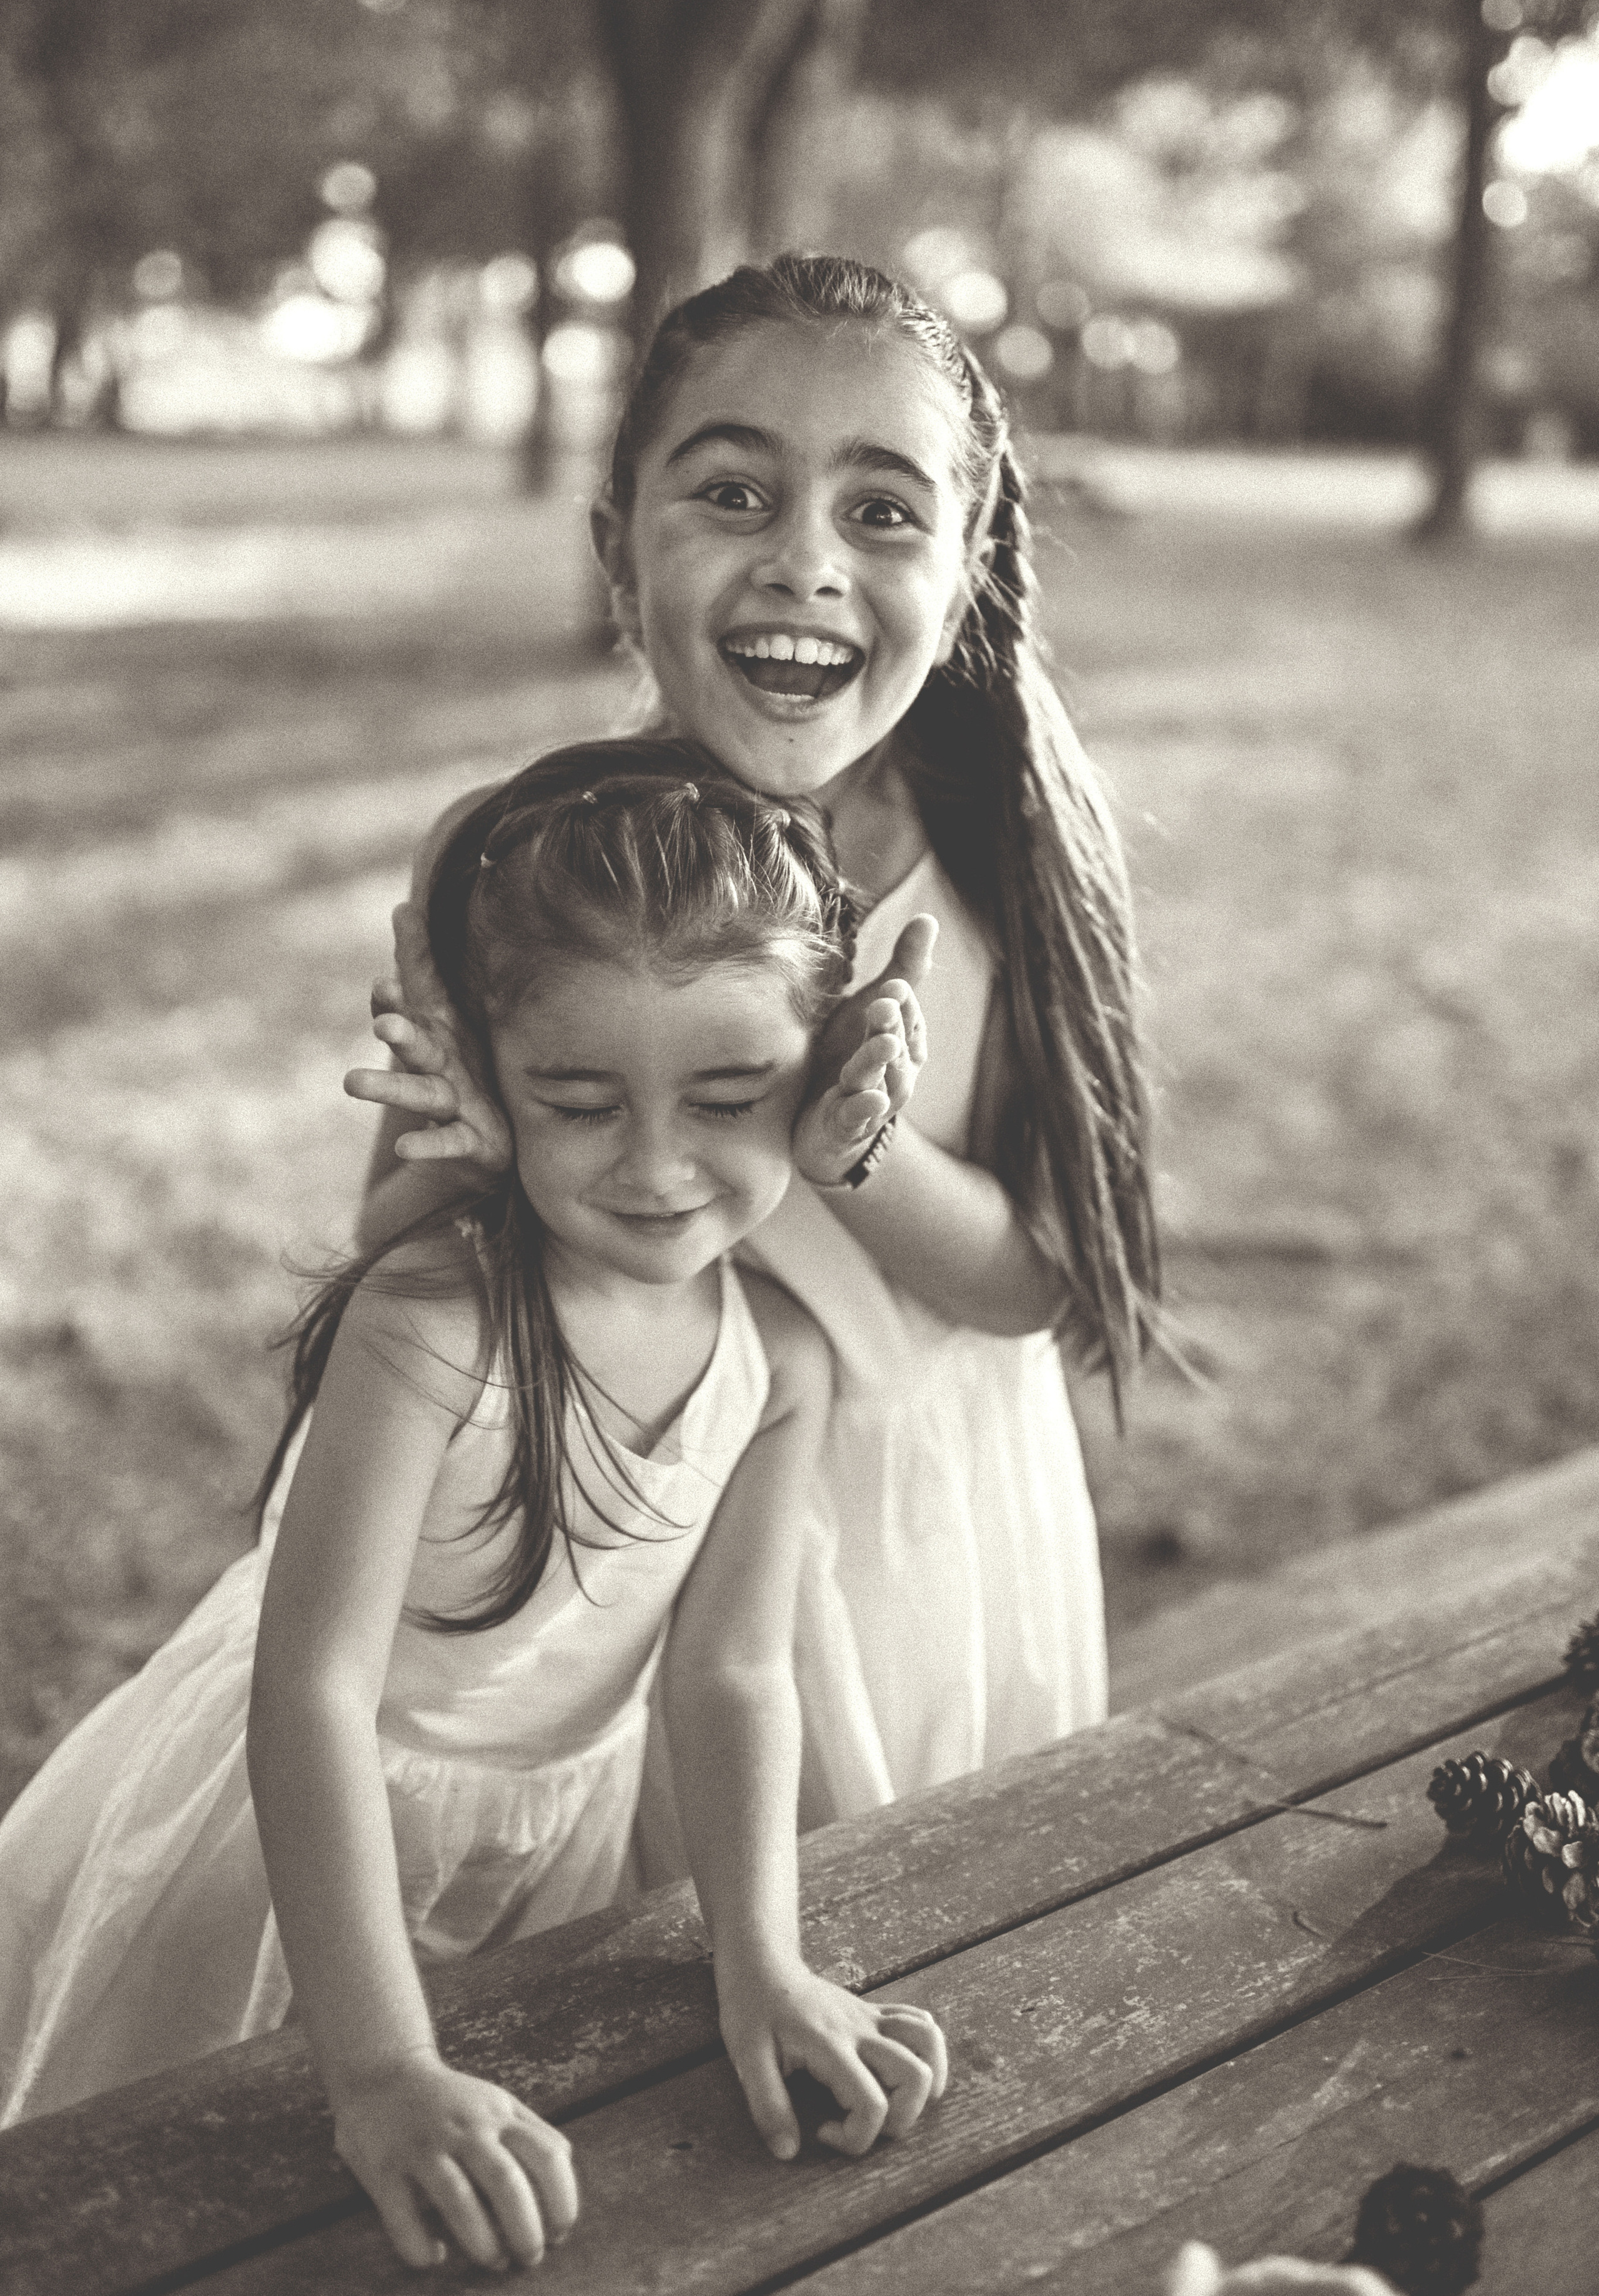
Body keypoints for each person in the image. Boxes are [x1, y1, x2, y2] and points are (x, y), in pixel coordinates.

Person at [0, 743, 948, 2271]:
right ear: (494, 1086)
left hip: (545, 1840)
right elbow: (310, 1689)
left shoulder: (777, 1363)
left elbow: (730, 1671)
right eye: (577, 1100)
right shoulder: (429, 1321)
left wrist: (757, 1961)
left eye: (727, 1096)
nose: (653, 1168)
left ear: (828, 1074)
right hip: (278, 1842)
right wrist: (376, 2070)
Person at [352, 252, 1161, 1848]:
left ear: (971, 552)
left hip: (904, 1537)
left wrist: (843, 1140)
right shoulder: (515, 859)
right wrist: (492, 1161)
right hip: (604, 1525)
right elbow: (385, 1249)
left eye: (880, 511)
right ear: (614, 540)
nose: (804, 566)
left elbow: (1033, 1282)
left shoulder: (1007, 858)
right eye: (732, 494)